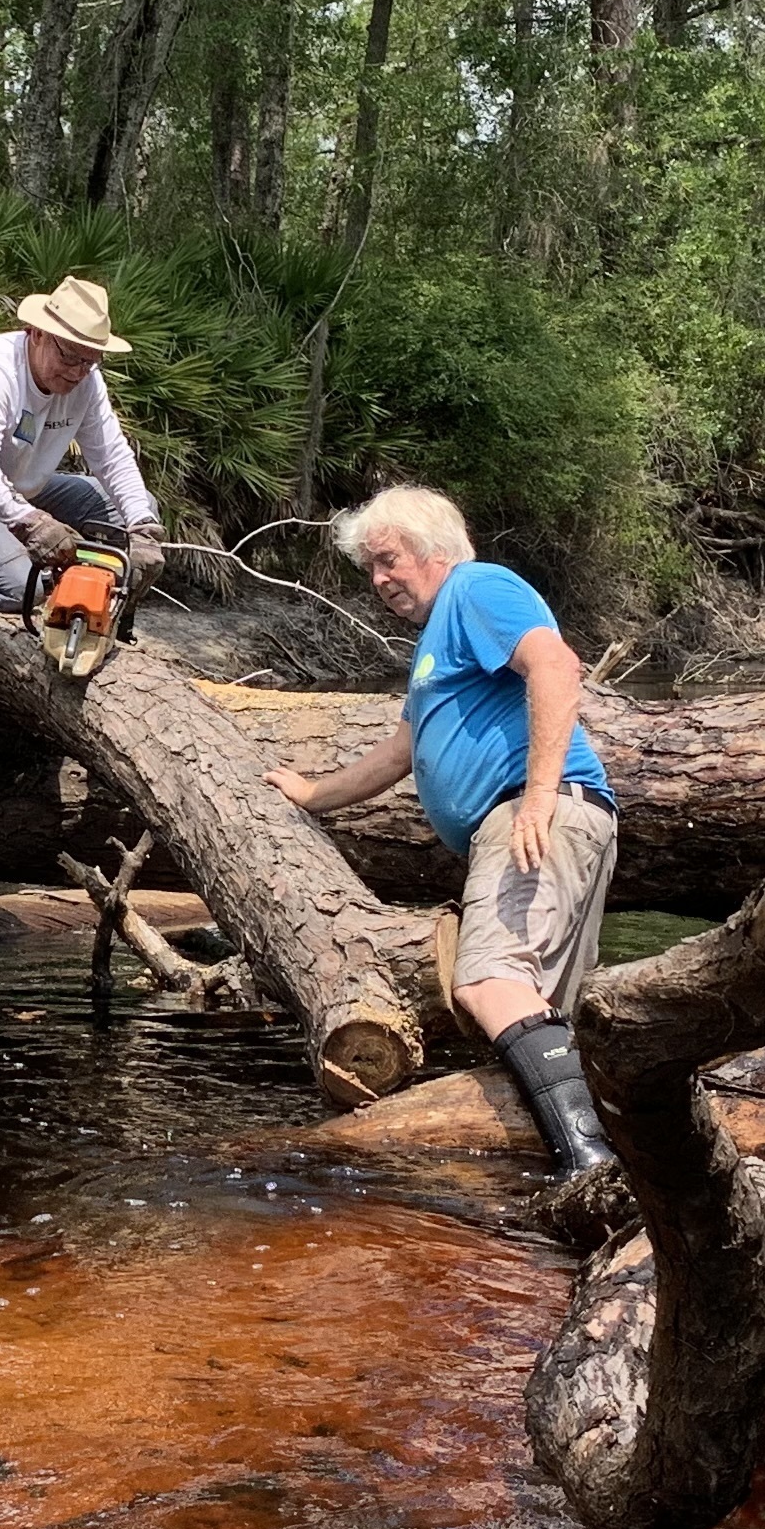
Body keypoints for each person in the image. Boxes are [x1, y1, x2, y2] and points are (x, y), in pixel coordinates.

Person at [265, 486, 620, 1181]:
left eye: (388, 561)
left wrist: (539, 798)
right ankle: (592, 1170)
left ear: (434, 551)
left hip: (532, 813)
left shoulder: (477, 587)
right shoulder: (439, 640)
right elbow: (400, 752)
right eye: (371, 568)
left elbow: (555, 665)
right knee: (537, 1012)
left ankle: (591, 1167)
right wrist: (311, 794)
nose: (379, 581)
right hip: (535, 815)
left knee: (487, 982)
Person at [0, 278, 166, 636]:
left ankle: (107, 615)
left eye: (90, 360)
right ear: (36, 333)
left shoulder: (87, 382)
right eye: (70, 356)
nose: (77, 372)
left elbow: (111, 456)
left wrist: (143, 528)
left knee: (138, 508)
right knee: (25, 590)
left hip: (19, 488)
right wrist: (31, 522)